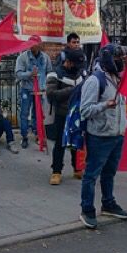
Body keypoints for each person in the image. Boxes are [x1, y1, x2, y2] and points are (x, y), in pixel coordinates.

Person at [79, 44, 127, 229]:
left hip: (116, 134)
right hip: (100, 136)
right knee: (91, 174)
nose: (121, 62)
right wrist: (104, 106)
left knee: (109, 173)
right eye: (118, 58)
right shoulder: (95, 80)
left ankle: (108, 203)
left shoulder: (117, 78)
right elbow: (84, 110)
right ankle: (87, 209)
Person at [46, 48, 86, 184]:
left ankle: (77, 168)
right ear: (68, 62)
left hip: (78, 114)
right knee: (60, 143)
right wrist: (72, 91)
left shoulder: (81, 73)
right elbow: (51, 94)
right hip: (61, 114)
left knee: (77, 141)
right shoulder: (54, 74)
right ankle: (56, 171)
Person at [15, 43, 53, 148]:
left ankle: (38, 135)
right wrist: (29, 74)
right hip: (26, 89)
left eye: (35, 45)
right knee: (24, 113)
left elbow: (49, 73)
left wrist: (46, 84)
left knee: (38, 114)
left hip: (40, 90)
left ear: (40, 45)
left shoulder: (45, 58)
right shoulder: (22, 57)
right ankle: (24, 137)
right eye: (31, 44)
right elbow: (18, 74)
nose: (32, 46)